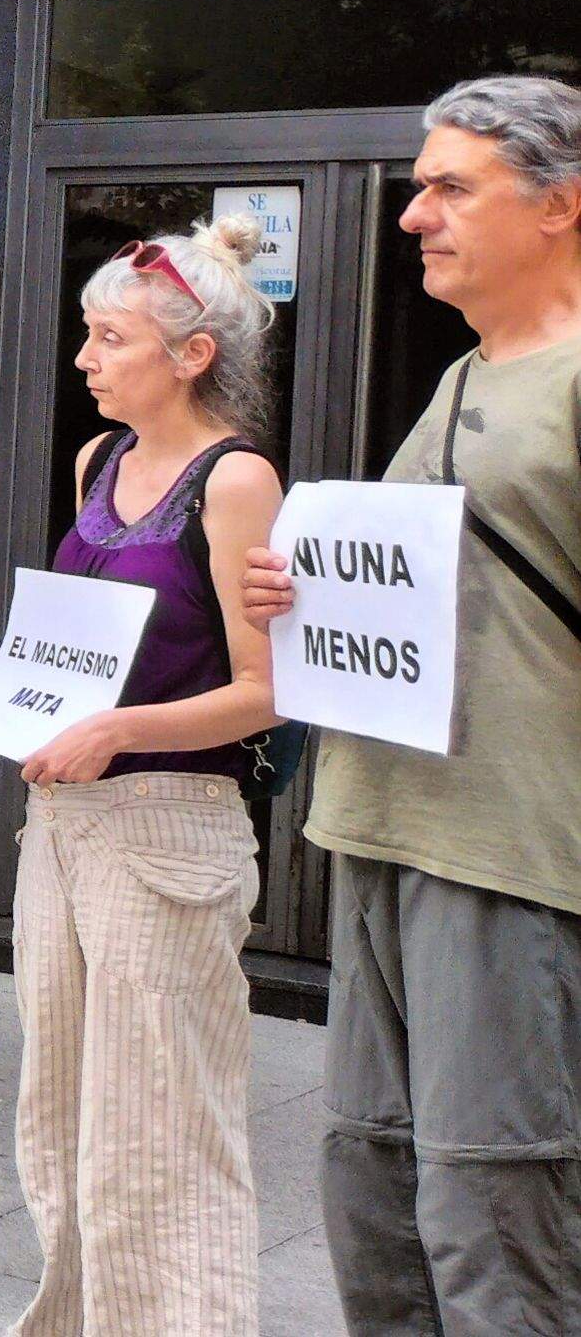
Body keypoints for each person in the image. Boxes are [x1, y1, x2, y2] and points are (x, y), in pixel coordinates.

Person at [244, 75, 581, 1332]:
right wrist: (309, 589)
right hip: (383, 828)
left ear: (560, 206)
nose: (411, 215)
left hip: (513, 860)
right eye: (417, 186)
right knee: (376, 1200)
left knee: (496, 1216)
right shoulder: (460, 377)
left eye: (449, 187)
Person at [0, 220, 283, 1334]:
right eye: (85, 333)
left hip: (171, 826)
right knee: (63, 1111)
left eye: (107, 337)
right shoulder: (97, 461)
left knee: (164, 1122)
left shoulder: (237, 478)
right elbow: (66, 656)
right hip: (65, 825)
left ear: (190, 354)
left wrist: (117, 732)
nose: (82, 358)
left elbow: (266, 691)